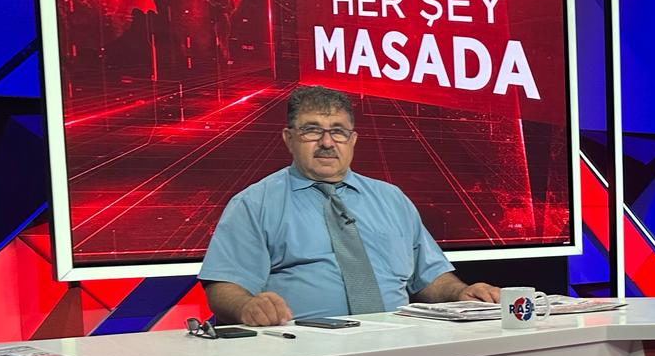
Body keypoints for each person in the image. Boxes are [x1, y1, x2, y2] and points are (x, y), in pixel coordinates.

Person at [199, 85, 500, 326]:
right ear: (289, 139)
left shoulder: (392, 199)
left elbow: (430, 278)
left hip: (398, 342)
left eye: (338, 131)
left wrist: (460, 293)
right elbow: (224, 287)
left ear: (353, 140)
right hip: (300, 350)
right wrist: (247, 306)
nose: (327, 142)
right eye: (312, 130)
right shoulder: (254, 203)